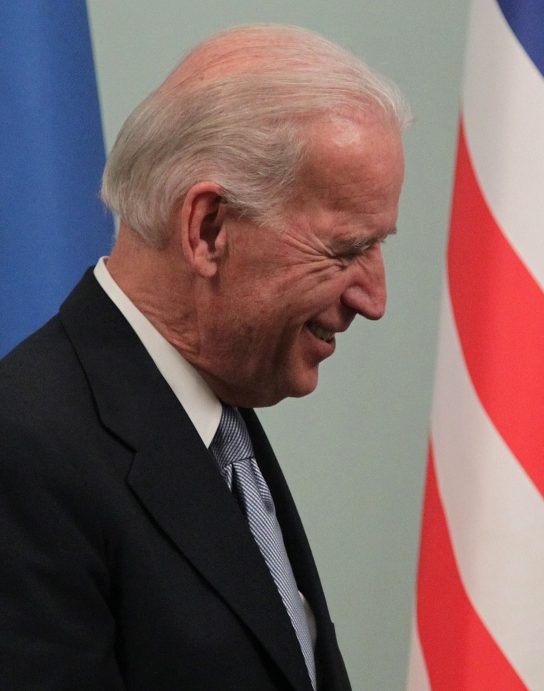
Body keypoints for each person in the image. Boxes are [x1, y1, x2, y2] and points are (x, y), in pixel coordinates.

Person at [0, 24, 408, 691]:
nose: (375, 298)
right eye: (346, 250)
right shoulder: (24, 450)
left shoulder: (219, 417)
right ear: (208, 229)